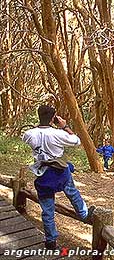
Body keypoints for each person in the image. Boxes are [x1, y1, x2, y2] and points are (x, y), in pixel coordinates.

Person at [22, 105, 95, 250]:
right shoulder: (58, 134)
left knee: (47, 210)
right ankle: (84, 214)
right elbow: (76, 140)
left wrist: (43, 124)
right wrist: (64, 126)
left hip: (42, 174)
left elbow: (27, 138)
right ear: (53, 118)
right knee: (72, 193)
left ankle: (50, 240)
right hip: (60, 173)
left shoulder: (29, 134)